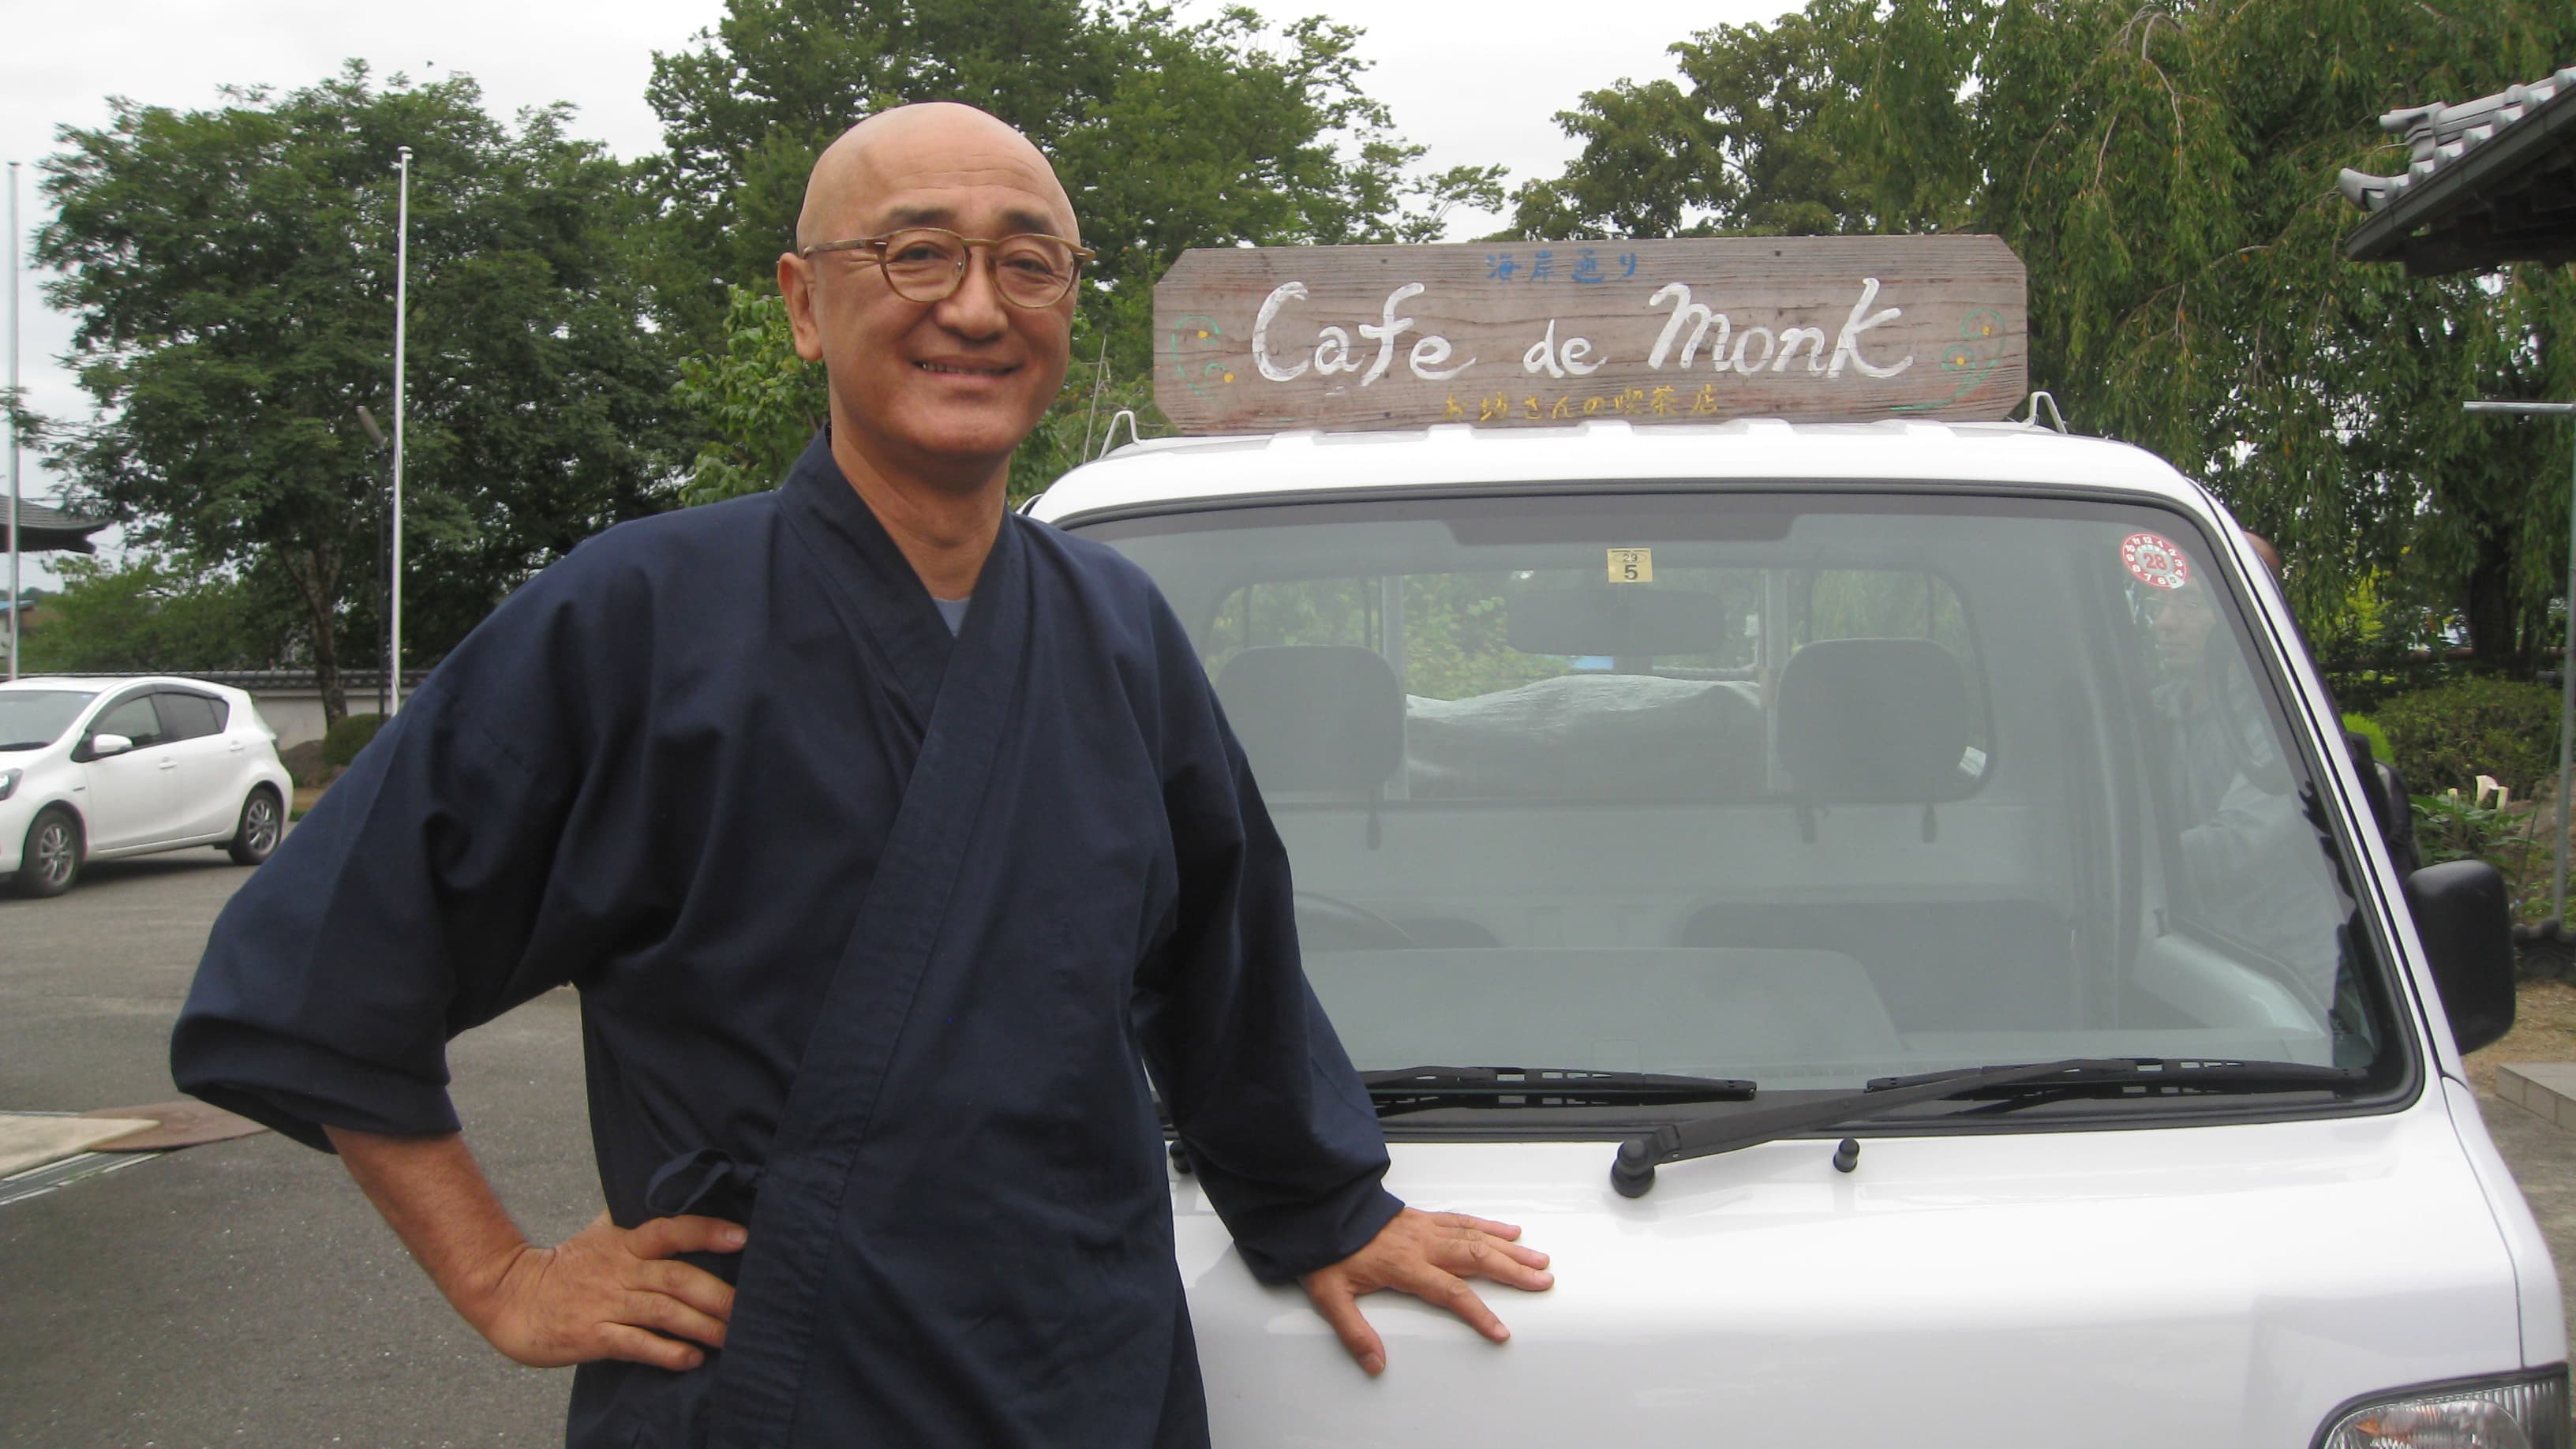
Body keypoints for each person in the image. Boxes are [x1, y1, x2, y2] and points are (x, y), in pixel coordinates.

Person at [170, 103, 1551, 1447]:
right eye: (915, 253)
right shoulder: (635, 615)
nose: (975, 306)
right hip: (771, 1387)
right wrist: (503, 1279)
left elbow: (1223, 968)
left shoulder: (1117, 629)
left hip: (1084, 1374)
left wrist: (1327, 1208)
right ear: (803, 303)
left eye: (1028, 263)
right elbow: (311, 979)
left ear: (1068, 308)